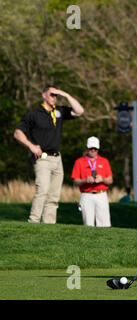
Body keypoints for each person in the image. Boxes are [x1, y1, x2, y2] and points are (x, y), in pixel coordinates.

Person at [14, 85, 84, 224]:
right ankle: (33, 221)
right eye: (52, 94)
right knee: (43, 191)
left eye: (56, 95)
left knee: (54, 196)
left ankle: (49, 225)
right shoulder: (34, 113)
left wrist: (65, 94)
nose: (54, 97)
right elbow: (17, 133)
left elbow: (79, 111)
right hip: (43, 159)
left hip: (57, 159)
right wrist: (31, 146)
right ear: (44, 95)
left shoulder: (59, 111)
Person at [71, 136, 113, 227]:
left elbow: (110, 180)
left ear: (98, 149)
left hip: (101, 194)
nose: (93, 150)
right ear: (87, 148)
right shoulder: (79, 162)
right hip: (86, 195)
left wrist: (102, 179)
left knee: (104, 224)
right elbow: (75, 181)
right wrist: (85, 180)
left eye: (95, 149)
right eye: (91, 148)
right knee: (88, 224)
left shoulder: (104, 161)